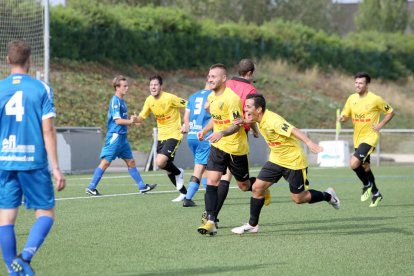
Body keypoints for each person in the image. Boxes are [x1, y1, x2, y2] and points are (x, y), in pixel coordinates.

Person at [0, 40, 66, 275]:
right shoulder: (41, 88)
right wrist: (56, 168)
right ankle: (25, 257)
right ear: (30, 61)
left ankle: (13, 270)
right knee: (46, 214)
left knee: (6, 219)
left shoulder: (0, 89)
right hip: (34, 162)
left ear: (8, 61)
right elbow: (47, 130)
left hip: (6, 161)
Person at [231, 93, 340, 235]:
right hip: (276, 159)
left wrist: (309, 142)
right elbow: (250, 120)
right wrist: (249, 125)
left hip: (294, 161)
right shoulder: (257, 117)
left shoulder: (273, 120)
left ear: (259, 109)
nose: (245, 109)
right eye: (245, 106)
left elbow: (293, 130)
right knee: (257, 188)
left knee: (298, 198)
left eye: (248, 107)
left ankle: (328, 196)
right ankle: (253, 225)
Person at [197, 64, 254, 236]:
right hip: (218, 146)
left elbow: (238, 125)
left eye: (214, 76)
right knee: (212, 181)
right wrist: (205, 130)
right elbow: (216, 118)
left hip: (235, 148)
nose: (210, 79)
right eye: (209, 76)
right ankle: (211, 221)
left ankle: (260, 188)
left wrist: (222, 132)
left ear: (224, 78)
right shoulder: (212, 97)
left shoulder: (232, 99)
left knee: (244, 186)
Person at [212, 58, 271, 222]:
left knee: (235, 182)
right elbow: (249, 114)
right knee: (226, 178)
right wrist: (254, 129)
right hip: (237, 134)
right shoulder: (251, 89)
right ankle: (212, 217)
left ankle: (212, 217)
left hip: (221, 132)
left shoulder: (226, 83)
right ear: (250, 73)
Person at [85, 75, 157, 196]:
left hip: (122, 138)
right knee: (106, 162)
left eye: (127, 86)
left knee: (131, 162)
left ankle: (142, 186)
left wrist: (131, 121)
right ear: (117, 87)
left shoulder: (122, 102)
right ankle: (91, 187)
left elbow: (123, 122)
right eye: (124, 86)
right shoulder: (115, 101)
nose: (127, 88)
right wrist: (131, 121)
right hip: (115, 137)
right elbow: (117, 121)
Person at [339, 72, 395, 207]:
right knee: (365, 166)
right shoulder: (351, 98)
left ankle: (367, 185)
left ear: (367, 84)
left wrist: (380, 125)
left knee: (353, 164)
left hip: (370, 137)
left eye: (361, 83)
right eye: (356, 83)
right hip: (358, 138)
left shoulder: (375, 99)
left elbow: (390, 112)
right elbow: (346, 115)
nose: (357, 85)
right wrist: (342, 118)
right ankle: (376, 193)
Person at [136, 75, 187, 202]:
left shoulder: (170, 98)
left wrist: (186, 123)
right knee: (165, 166)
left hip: (174, 134)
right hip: (161, 137)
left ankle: (179, 173)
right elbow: (141, 117)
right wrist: (134, 120)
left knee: (159, 162)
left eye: (155, 85)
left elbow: (189, 105)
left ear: (160, 86)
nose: (153, 87)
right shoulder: (149, 100)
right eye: (151, 85)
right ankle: (184, 193)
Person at [180, 83, 212, 207]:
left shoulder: (193, 96)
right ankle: (188, 198)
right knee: (199, 167)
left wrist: (187, 126)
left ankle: (208, 193)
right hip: (203, 136)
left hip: (192, 136)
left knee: (203, 166)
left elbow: (186, 116)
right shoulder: (213, 95)